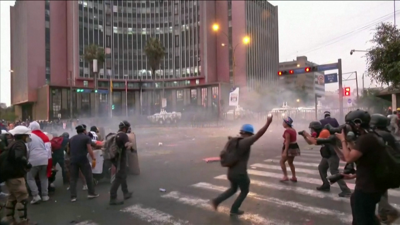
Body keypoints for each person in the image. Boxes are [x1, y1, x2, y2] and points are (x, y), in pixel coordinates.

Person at [211, 115, 273, 216]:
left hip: (231, 172)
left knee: (233, 189)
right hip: (240, 173)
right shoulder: (245, 142)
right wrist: (268, 123)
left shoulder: (234, 141)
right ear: (249, 134)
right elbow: (258, 135)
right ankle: (234, 209)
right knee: (245, 190)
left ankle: (216, 201)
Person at [335, 109, 386, 225]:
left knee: (361, 220)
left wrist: (343, 140)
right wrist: (353, 175)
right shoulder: (372, 136)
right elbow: (367, 161)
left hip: (366, 189)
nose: (348, 127)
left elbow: (349, 158)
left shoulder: (366, 139)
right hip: (373, 186)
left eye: (350, 124)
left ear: (357, 123)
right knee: (369, 219)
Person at [300, 121, 351, 197]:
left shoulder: (324, 132)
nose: (311, 131)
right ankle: (326, 184)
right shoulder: (319, 133)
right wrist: (304, 136)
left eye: (312, 129)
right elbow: (310, 143)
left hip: (333, 155)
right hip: (326, 155)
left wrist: (306, 134)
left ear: (316, 128)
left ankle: (346, 190)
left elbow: (315, 142)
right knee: (321, 168)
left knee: (334, 172)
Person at [369, 114, 399, 224]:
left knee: (377, 191)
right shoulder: (387, 134)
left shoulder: (378, 135)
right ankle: (383, 214)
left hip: (380, 167)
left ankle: (389, 211)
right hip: (387, 168)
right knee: (382, 190)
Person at [2, 126, 34, 225]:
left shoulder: (12, 143)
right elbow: (19, 156)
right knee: (22, 197)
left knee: (12, 197)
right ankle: (23, 221)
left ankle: (9, 219)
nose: (28, 137)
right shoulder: (20, 144)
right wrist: (27, 164)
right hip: (16, 175)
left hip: (9, 175)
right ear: (23, 136)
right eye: (27, 135)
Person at [68, 125, 99, 202]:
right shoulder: (86, 138)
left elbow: (68, 150)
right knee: (89, 176)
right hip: (83, 159)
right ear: (84, 130)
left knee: (73, 179)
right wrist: (93, 158)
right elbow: (90, 149)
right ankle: (91, 193)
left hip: (73, 159)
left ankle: (73, 197)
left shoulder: (72, 139)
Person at [109, 121, 133, 205]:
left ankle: (125, 192)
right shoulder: (123, 135)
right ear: (124, 128)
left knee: (123, 175)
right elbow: (127, 145)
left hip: (116, 158)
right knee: (119, 177)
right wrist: (131, 143)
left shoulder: (117, 134)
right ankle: (113, 197)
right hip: (119, 159)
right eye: (127, 127)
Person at [27, 121, 50, 204]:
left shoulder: (28, 137)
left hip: (33, 160)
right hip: (44, 159)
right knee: (43, 177)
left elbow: (27, 149)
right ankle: (45, 195)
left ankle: (36, 195)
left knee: (30, 177)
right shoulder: (42, 136)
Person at [280, 116, 300, 182]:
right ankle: (294, 177)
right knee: (290, 162)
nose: (282, 123)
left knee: (282, 162)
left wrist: (285, 151)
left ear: (286, 123)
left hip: (289, 147)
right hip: (294, 146)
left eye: (283, 122)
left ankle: (285, 176)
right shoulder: (293, 130)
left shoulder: (287, 131)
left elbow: (287, 141)